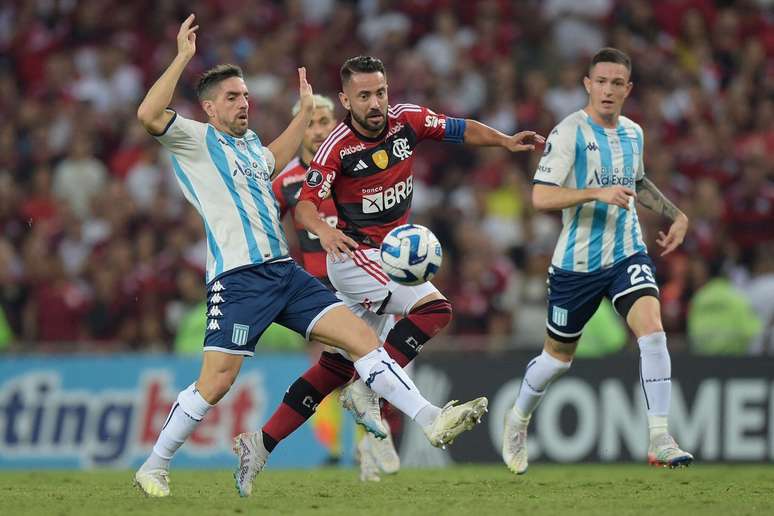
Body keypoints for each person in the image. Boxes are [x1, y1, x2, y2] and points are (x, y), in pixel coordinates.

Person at [132, 15, 488, 498]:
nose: (244, 103)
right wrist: (181, 58)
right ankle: (154, 464)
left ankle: (431, 418)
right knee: (216, 383)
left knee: (362, 341)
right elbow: (149, 116)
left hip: (285, 274)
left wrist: (303, 112)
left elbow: (275, 158)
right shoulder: (195, 141)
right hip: (238, 280)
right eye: (233, 97)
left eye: (246, 95)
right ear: (210, 107)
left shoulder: (251, 148)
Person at [294, 55, 543, 446]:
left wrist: (505, 140)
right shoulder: (336, 148)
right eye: (364, 96)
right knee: (436, 308)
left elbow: (459, 130)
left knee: (336, 364)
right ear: (346, 100)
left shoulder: (406, 120)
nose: (375, 103)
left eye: (380, 92)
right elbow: (305, 204)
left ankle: (261, 442)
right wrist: (322, 234)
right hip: (356, 255)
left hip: (390, 256)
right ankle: (379, 397)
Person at [502, 47, 694, 475]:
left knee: (654, 333)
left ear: (629, 89)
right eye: (600, 81)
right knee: (557, 360)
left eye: (616, 83)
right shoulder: (568, 132)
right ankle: (517, 419)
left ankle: (660, 436)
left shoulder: (633, 133)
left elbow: (637, 181)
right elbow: (541, 196)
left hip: (627, 252)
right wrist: (594, 192)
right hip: (576, 265)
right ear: (588, 85)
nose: (608, 90)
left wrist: (675, 214)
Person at [269, 94, 400, 480]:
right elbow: (267, 228)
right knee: (339, 368)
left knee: (371, 364)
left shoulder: (349, 164)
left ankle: (366, 442)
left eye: (323, 121)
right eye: (309, 122)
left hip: (365, 278)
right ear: (299, 131)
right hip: (319, 288)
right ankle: (338, 447)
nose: (317, 130)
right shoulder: (286, 182)